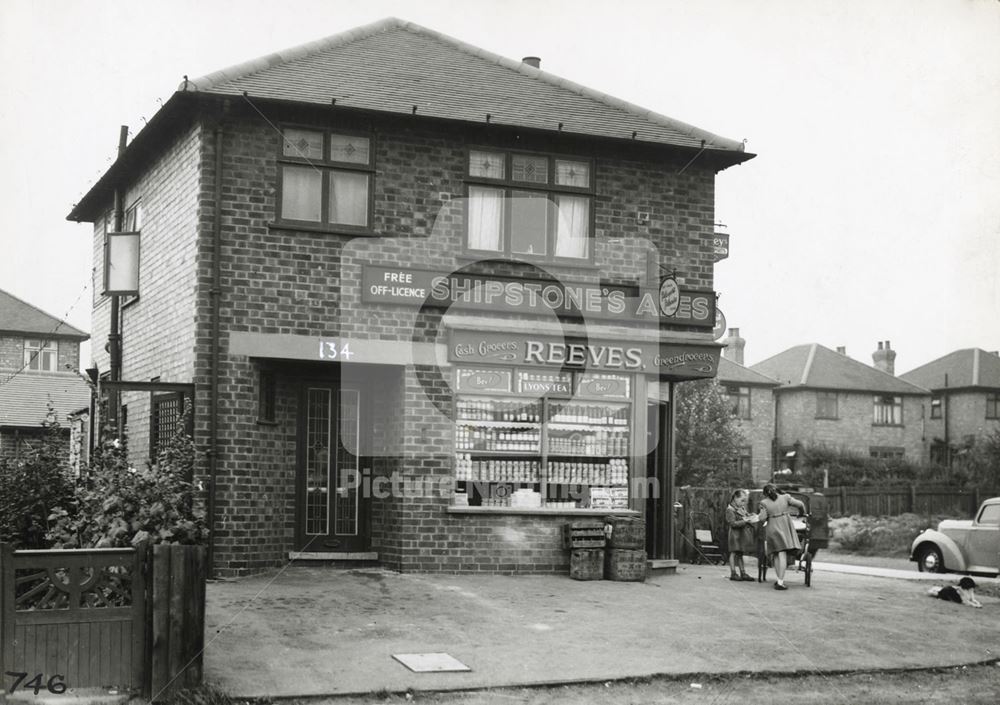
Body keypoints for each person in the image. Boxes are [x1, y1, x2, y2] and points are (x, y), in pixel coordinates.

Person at [756, 483, 807, 590]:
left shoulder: (763, 503)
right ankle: (780, 582)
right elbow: (800, 504)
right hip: (784, 525)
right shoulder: (786, 497)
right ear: (777, 490)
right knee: (782, 553)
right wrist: (801, 513)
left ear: (765, 494)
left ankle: (779, 580)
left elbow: (763, 518)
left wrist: (759, 516)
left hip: (772, 527)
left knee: (776, 554)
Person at [725, 489, 757, 582]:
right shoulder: (729, 510)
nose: (743, 503)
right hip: (734, 535)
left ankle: (743, 573)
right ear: (735, 498)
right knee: (733, 553)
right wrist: (745, 521)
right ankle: (733, 573)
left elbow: (745, 515)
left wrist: (751, 516)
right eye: (742, 500)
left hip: (741, 534)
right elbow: (733, 524)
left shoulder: (741, 508)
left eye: (744, 501)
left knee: (740, 553)